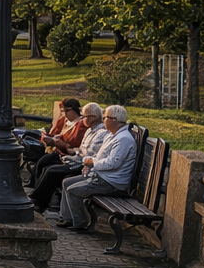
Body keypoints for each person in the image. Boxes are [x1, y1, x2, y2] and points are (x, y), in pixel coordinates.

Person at [56, 105, 137, 235]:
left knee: (73, 191)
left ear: (114, 120)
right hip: (100, 176)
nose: (103, 120)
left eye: (105, 118)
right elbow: (102, 156)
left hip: (111, 183)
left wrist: (92, 162)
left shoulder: (123, 139)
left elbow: (113, 163)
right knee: (67, 182)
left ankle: (81, 223)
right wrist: (89, 162)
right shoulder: (113, 135)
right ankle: (68, 219)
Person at [28, 104, 104, 211]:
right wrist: (75, 150)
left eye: (84, 116)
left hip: (84, 166)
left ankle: (40, 203)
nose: (82, 119)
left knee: (52, 171)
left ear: (93, 117)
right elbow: (82, 148)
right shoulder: (90, 130)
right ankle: (36, 199)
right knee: (46, 165)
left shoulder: (100, 133)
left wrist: (74, 151)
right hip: (76, 159)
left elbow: (89, 155)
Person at [24, 97, 84, 166]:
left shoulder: (80, 125)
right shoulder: (67, 121)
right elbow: (56, 133)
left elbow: (73, 146)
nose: (65, 114)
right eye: (63, 111)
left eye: (67, 111)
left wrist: (59, 144)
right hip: (57, 152)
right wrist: (48, 137)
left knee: (43, 162)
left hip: (67, 157)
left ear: (75, 110)